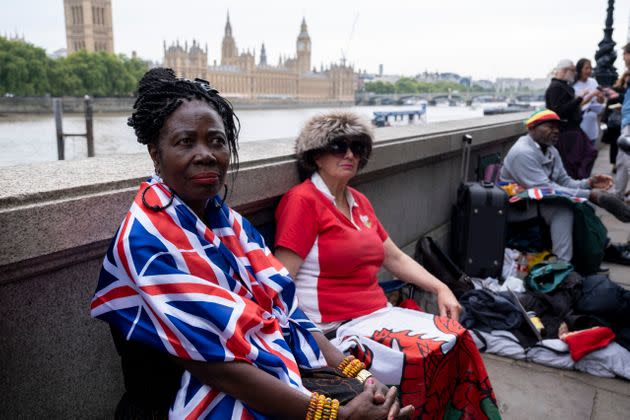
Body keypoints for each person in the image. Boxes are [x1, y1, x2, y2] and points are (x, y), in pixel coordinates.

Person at [90, 69, 414, 420]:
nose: (206, 154)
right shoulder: (147, 241)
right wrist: (337, 416)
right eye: (185, 142)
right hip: (182, 400)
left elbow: (287, 316)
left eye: (216, 141)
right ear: (155, 153)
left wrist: (362, 377)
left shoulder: (228, 224)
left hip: (257, 377)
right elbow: (218, 368)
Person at [274, 112, 501, 419]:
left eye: (358, 147)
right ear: (316, 155)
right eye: (338, 146)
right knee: (431, 354)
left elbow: (394, 258)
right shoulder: (303, 202)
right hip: (336, 328)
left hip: (377, 314)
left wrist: (441, 287)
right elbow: (279, 282)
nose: (350, 154)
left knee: (458, 338)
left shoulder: (359, 203)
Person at [500, 109, 630, 264]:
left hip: (536, 201)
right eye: (550, 126)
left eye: (557, 128)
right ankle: (562, 265)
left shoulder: (551, 150)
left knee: (583, 205)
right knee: (562, 210)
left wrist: (588, 183)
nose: (556, 131)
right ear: (532, 127)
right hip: (516, 207)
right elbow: (546, 189)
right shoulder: (522, 152)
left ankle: (600, 249)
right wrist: (590, 194)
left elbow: (565, 182)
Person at [545, 59, 600, 179]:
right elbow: (558, 111)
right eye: (573, 70)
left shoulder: (563, 86)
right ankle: (576, 187)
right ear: (565, 70)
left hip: (573, 131)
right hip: (566, 133)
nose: (575, 73)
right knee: (572, 164)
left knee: (587, 155)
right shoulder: (556, 87)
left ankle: (580, 184)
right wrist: (579, 98)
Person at [573, 58, 605, 143]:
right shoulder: (574, 85)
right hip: (580, 124)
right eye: (586, 68)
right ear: (580, 70)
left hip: (592, 124)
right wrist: (591, 95)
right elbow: (577, 104)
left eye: (590, 68)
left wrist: (600, 97)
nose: (589, 71)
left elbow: (600, 102)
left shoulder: (593, 81)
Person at [613, 43, 630, 201]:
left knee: (626, 160)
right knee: (622, 160)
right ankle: (618, 194)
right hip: (626, 121)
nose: (623, 58)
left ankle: (618, 194)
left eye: (625, 54)